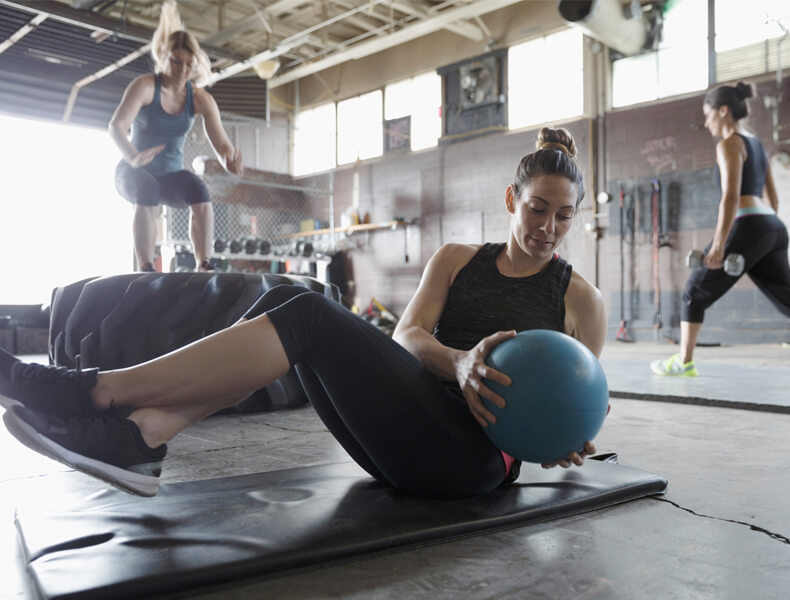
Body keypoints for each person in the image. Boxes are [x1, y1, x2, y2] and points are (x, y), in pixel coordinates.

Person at [0, 127, 607, 499]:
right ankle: (145, 434)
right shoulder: (456, 259)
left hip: (473, 462)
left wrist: (562, 438)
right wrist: (461, 362)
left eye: (563, 216)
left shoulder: (580, 299)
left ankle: (95, 393)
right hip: (409, 421)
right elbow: (408, 334)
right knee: (292, 298)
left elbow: (575, 410)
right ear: (512, 200)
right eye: (536, 209)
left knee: (310, 313)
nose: (548, 227)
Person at [651, 81, 790, 377]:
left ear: (724, 111)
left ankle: (684, 362)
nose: (706, 123)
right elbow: (773, 197)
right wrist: (766, 233)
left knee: (693, 293)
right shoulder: (756, 142)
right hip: (772, 225)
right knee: (787, 299)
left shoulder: (729, 143)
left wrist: (719, 245)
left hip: (749, 224)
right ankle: (684, 360)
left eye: (708, 115)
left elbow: (730, 197)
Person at [109, 0, 243, 273]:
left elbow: (222, 144)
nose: (182, 70)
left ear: (194, 65)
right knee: (146, 189)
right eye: (176, 62)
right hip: (132, 171)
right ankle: (146, 266)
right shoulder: (145, 87)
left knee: (199, 190)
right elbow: (116, 126)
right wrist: (133, 156)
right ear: (163, 57)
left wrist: (230, 162)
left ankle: (203, 264)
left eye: (188, 64)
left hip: (170, 177)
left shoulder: (201, 98)